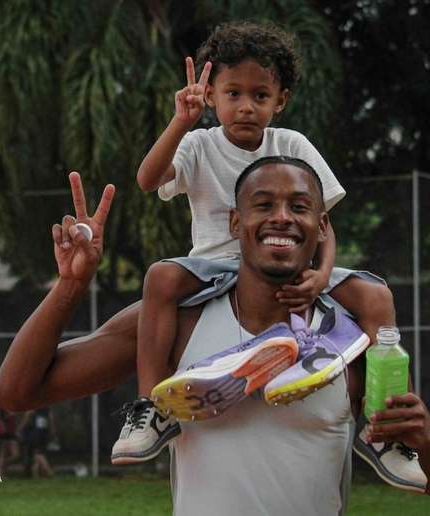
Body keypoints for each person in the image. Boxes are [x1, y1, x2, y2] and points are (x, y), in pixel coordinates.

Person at [0, 166, 430, 514]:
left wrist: (427, 437)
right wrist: (70, 287)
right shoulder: (179, 322)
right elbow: (16, 393)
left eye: (298, 206)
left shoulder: (351, 338)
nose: (281, 218)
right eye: (263, 205)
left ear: (321, 226)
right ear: (235, 223)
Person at [115, 20, 394, 467]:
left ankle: (386, 428)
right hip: (215, 267)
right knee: (161, 277)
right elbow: (149, 180)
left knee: (375, 294)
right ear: (210, 96)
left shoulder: (292, 144)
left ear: (279, 101)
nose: (246, 106)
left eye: (260, 96)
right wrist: (178, 122)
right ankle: (152, 408)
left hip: (286, 264)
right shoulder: (198, 144)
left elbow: (324, 223)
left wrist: (321, 275)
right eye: (233, 94)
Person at [17, 408, 56, 478]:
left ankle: (50, 473)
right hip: (44, 431)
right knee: (37, 454)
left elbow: (27, 415)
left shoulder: (35, 403)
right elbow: (51, 417)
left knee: (38, 454)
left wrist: (20, 429)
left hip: (37, 432)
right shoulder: (47, 406)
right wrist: (52, 431)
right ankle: (37, 475)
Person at [0, 409, 21, 475]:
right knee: (3, 455)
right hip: (5, 434)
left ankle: (1, 467)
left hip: (12, 433)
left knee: (16, 455)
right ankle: (0, 472)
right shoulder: (3, 406)